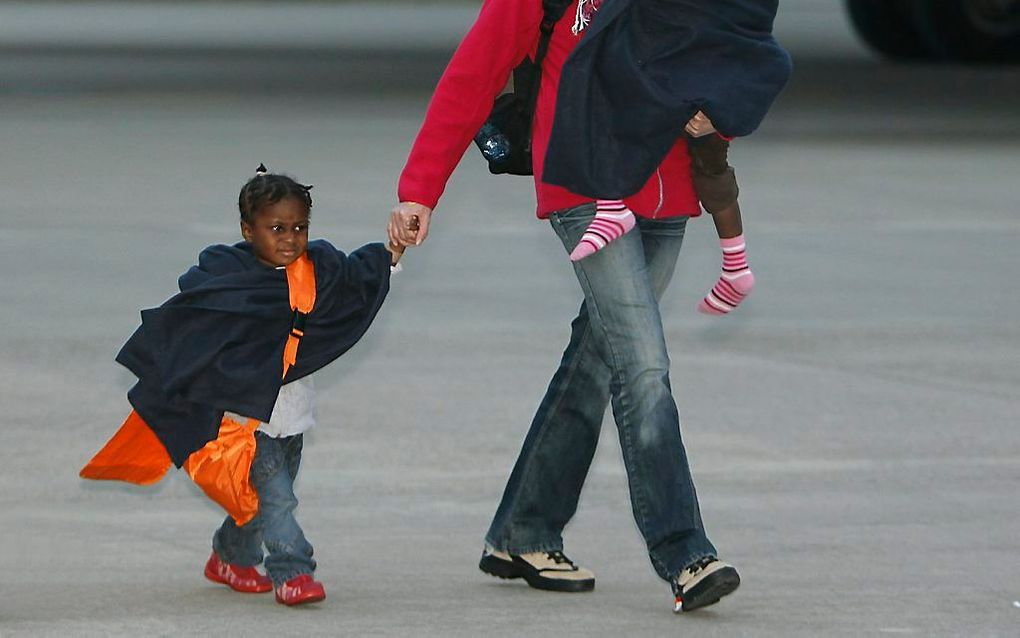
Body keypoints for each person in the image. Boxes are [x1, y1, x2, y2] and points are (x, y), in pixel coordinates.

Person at [388, 0, 761, 613]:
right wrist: (419, 190)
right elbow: (472, 75)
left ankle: (523, 532)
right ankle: (685, 552)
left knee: (597, 363)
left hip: (670, 194)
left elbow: (736, 68)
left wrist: (718, 119)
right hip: (586, 191)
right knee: (643, 366)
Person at [82, 165, 406, 606]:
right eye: (276, 228)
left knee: (255, 501)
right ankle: (293, 572)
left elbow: (355, 281)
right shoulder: (228, 284)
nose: (290, 238)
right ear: (247, 230)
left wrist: (392, 250)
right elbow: (194, 335)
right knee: (278, 502)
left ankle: (230, 557)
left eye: (299, 227)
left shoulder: (315, 274)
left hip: (292, 417)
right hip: (248, 422)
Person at [552, 0, 791, 318]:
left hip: (697, 64)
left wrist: (721, 112)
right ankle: (736, 267)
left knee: (613, 78)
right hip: (699, 62)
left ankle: (613, 208)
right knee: (711, 169)